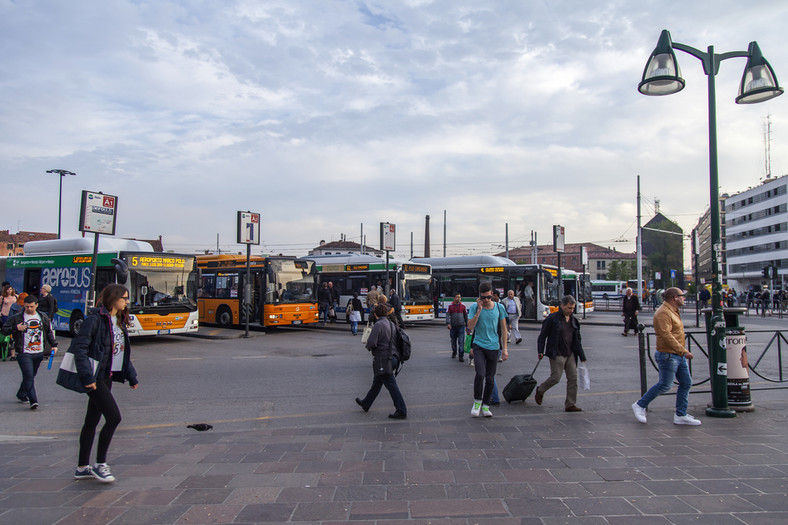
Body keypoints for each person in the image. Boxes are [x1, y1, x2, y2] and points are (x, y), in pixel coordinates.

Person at [72, 284, 139, 483]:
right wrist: (87, 378)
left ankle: (82, 467)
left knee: (91, 421)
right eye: (124, 298)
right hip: (95, 377)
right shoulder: (94, 320)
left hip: (107, 376)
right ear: (113, 298)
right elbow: (80, 349)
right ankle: (100, 464)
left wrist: (131, 375)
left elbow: (121, 351)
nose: (127, 301)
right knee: (114, 417)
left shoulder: (119, 320)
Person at [632, 287, 700, 426]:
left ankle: (681, 414)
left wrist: (681, 351)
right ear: (675, 297)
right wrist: (683, 351)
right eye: (682, 296)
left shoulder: (672, 310)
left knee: (686, 382)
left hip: (677, 354)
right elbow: (666, 335)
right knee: (665, 384)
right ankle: (640, 405)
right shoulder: (663, 313)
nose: (684, 298)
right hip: (668, 354)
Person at [2, 295, 58, 409]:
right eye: (27, 307)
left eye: (31, 307)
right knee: (28, 376)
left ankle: (21, 393)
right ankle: (33, 400)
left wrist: (54, 345)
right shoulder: (17, 318)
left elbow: (48, 332)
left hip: (38, 352)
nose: (29, 309)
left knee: (31, 375)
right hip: (23, 352)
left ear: (36, 305)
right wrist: (16, 328)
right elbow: (4, 330)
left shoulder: (43, 316)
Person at [534, 295, 587, 412]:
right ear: (562, 305)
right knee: (555, 378)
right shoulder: (552, 319)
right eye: (569, 308)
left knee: (573, 378)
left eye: (573, 308)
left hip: (570, 354)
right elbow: (542, 336)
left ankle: (570, 404)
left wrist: (582, 356)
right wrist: (540, 351)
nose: (571, 310)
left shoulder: (574, 320)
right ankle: (540, 390)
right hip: (556, 353)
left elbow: (577, 340)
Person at [355, 303, 407, 419]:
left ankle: (401, 410)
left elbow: (372, 343)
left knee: (391, 384)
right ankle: (366, 403)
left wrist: (368, 346)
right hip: (394, 357)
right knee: (377, 381)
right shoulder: (391, 324)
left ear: (375, 314)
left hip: (384, 359)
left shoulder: (378, 325)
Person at [467, 282, 508, 417]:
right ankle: (477, 402)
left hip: (494, 346)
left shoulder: (499, 307)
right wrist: (479, 311)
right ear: (479, 297)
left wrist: (505, 349)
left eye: (488, 297)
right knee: (480, 374)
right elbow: (470, 327)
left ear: (492, 295)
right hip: (479, 345)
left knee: (490, 378)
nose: (486, 300)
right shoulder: (474, 307)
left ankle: (486, 405)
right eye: (483, 297)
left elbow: (503, 328)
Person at [446, 293, 468, 362]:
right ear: (454, 298)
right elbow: (447, 315)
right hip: (453, 327)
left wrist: (467, 325)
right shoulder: (450, 306)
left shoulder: (463, 306)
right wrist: (448, 323)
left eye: (459, 297)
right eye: (457, 297)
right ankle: (454, 351)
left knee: (461, 342)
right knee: (453, 341)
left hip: (461, 326)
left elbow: (466, 316)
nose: (459, 298)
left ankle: (461, 355)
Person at [1, 284, 21, 359]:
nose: (9, 291)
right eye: (8, 289)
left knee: (13, 333)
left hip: (14, 316)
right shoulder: (3, 298)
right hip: (5, 316)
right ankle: (7, 348)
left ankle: (12, 351)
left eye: (10, 289)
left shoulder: (16, 296)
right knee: (6, 333)